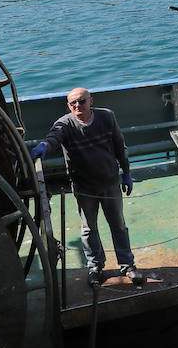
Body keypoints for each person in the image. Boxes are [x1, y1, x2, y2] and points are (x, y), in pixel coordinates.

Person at [31, 88, 144, 286]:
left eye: (81, 101)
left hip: (109, 183)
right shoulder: (65, 124)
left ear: (91, 101)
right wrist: (44, 147)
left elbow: (119, 145)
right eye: (72, 103)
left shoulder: (107, 117)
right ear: (68, 106)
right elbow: (53, 138)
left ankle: (128, 265)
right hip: (84, 187)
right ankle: (95, 267)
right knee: (89, 228)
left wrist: (126, 173)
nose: (77, 106)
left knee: (118, 225)